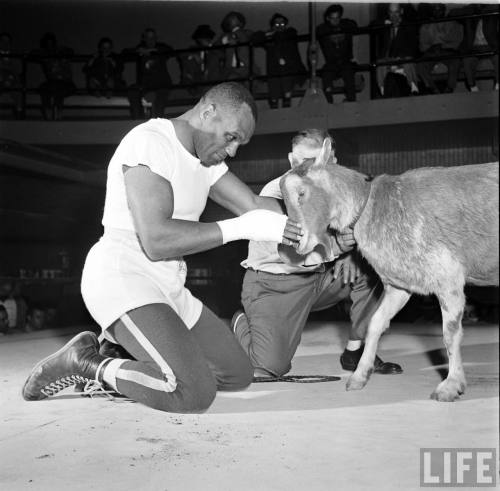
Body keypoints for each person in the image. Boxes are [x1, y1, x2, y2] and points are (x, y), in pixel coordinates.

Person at [22, 82, 303, 413]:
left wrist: (304, 205)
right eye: (231, 136)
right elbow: (156, 240)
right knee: (193, 393)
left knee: (237, 374)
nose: (233, 150)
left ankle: (124, 355)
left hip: (169, 285)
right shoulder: (150, 142)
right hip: (125, 278)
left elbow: (255, 205)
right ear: (208, 111)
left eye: (240, 143)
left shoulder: (207, 160)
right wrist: (240, 229)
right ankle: (84, 363)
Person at [231, 129, 403, 378]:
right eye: (305, 163)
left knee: (372, 267)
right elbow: (293, 254)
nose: (312, 170)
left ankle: (356, 351)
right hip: (276, 284)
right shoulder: (277, 193)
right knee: (269, 368)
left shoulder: (338, 190)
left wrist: (352, 255)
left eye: (321, 162)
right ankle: (242, 321)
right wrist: (340, 249)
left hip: (320, 279)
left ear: (332, 161)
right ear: (292, 161)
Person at [252, 13, 307, 109]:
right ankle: (274, 105)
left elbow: (289, 34)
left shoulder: (290, 33)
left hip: (290, 69)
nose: (280, 26)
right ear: (273, 26)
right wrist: (268, 34)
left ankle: (287, 103)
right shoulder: (270, 38)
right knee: (274, 87)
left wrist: (275, 34)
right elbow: (255, 38)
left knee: (286, 81)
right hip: (274, 71)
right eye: (277, 24)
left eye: (282, 24)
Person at [124, 28, 173, 119]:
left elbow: (171, 50)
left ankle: (158, 123)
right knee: (133, 91)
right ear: (144, 39)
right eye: (148, 38)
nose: (151, 40)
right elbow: (125, 53)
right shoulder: (140, 49)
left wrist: (152, 50)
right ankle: (138, 121)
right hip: (145, 86)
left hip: (161, 85)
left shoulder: (161, 48)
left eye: (153, 38)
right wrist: (139, 51)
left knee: (159, 100)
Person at [373, 3, 419, 98]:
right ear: (388, 13)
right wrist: (384, 22)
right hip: (389, 60)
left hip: (403, 58)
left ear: (401, 11)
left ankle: (414, 88)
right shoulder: (386, 26)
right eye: (391, 13)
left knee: (408, 60)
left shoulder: (408, 26)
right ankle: (382, 90)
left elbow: (412, 47)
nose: (394, 16)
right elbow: (372, 25)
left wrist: (399, 58)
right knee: (379, 63)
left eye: (396, 12)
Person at [417, 4, 463, 94]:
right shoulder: (425, 26)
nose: (437, 12)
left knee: (456, 61)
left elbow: (457, 42)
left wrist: (443, 47)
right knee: (420, 65)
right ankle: (433, 89)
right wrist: (432, 48)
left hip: (448, 53)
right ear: (432, 11)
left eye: (439, 10)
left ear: (444, 10)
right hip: (431, 54)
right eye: (435, 10)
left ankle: (449, 88)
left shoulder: (453, 24)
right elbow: (422, 47)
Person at [316, 4, 358, 103]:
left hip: (346, 61)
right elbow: (318, 31)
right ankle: (329, 105)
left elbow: (354, 25)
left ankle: (351, 103)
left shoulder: (346, 26)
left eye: (337, 18)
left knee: (349, 76)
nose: (335, 21)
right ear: (327, 18)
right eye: (332, 18)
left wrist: (342, 26)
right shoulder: (323, 29)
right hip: (331, 63)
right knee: (326, 77)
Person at [32, 32, 76, 121]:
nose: (50, 47)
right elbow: (32, 54)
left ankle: (58, 115)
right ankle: (48, 116)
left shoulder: (62, 51)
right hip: (52, 83)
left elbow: (71, 51)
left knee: (58, 89)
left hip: (67, 83)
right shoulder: (45, 56)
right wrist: (45, 54)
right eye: (48, 45)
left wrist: (60, 54)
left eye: (52, 44)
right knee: (44, 89)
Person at [456, 3, 499, 92]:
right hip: (474, 48)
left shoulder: (491, 11)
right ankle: (473, 87)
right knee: (467, 59)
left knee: (498, 57)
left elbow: (497, 6)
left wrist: (484, 8)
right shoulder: (470, 14)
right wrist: (473, 8)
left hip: (490, 46)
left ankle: (498, 85)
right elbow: (452, 13)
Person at [178, 24, 222, 97]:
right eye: (201, 39)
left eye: (206, 38)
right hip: (196, 80)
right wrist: (193, 55)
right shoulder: (193, 50)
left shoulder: (215, 50)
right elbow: (181, 55)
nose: (204, 40)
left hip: (211, 80)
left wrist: (209, 48)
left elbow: (221, 55)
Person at [0, 32, 24, 119]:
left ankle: (19, 114)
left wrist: (10, 78)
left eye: (7, 41)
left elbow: (18, 70)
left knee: (18, 90)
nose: (5, 44)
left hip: (13, 81)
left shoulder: (15, 55)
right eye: (2, 41)